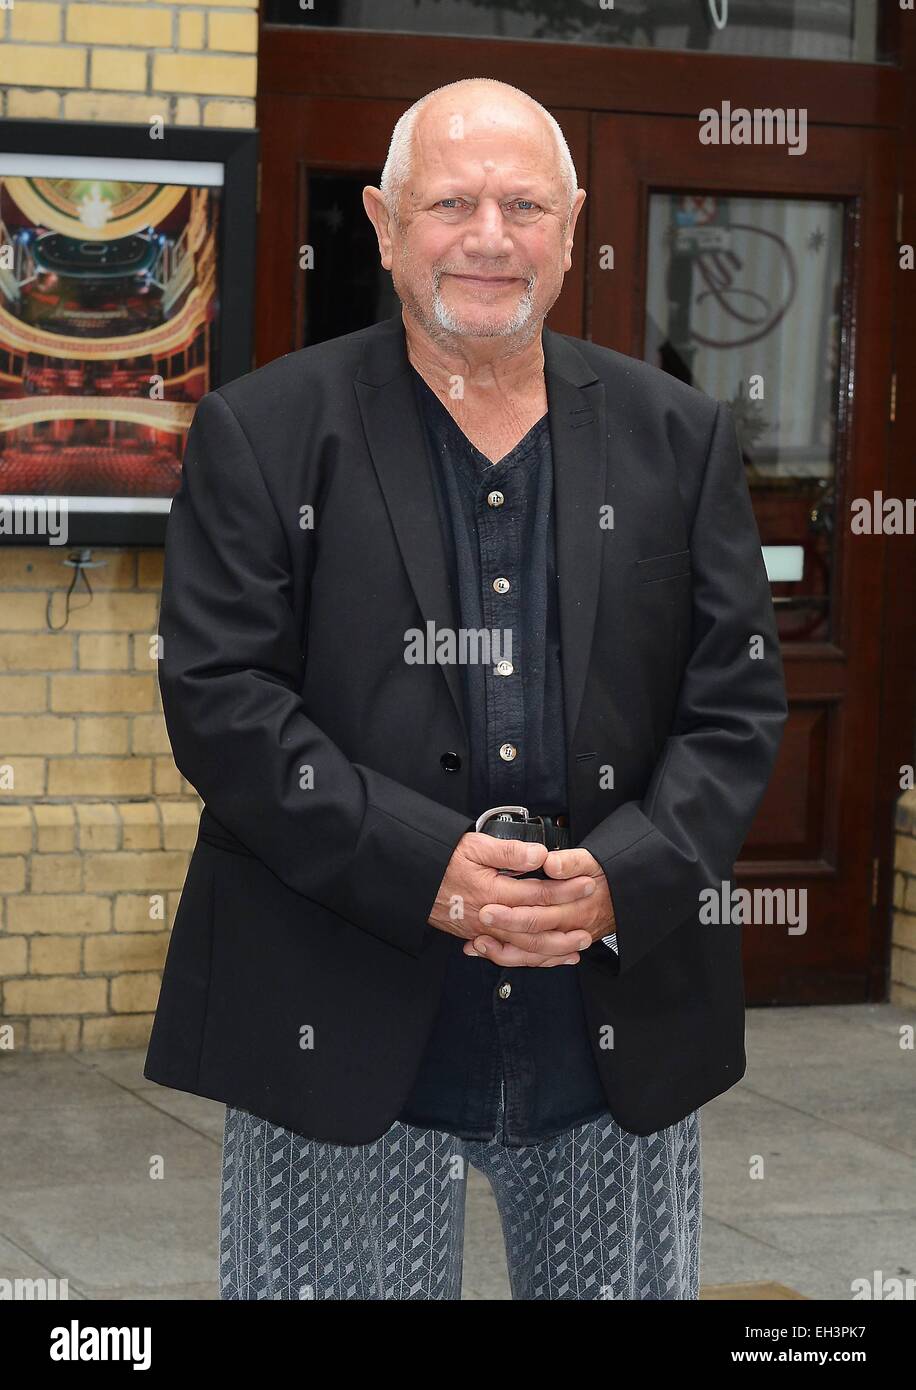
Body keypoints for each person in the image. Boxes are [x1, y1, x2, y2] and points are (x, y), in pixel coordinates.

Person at [144, 77, 788, 1300]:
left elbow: (736, 702)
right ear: (384, 224)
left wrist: (628, 875)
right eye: (451, 202)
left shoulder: (678, 436)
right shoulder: (263, 431)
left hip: (615, 1025)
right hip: (339, 1016)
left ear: (571, 224)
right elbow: (222, 700)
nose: (490, 236)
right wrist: (421, 868)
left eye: (523, 204)